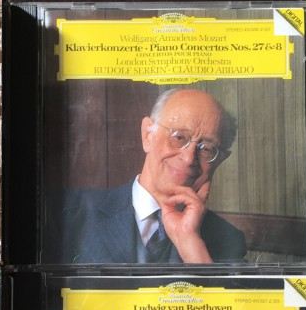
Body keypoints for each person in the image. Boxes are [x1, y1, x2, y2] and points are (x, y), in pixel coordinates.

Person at [60, 88, 245, 264]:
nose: (189, 158)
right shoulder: (69, 212)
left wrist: (190, 243)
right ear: (148, 135)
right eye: (179, 137)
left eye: (206, 149)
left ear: (220, 160)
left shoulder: (228, 240)